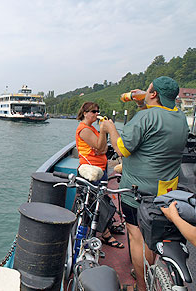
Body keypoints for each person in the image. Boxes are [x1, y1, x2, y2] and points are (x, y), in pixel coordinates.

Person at [102, 76, 189, 291]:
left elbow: (122, 148)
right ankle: (150, 274)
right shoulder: (179, 117)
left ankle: (141, 286)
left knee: (137, 236)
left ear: (154, 94)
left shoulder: (146, 117)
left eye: (149, 90)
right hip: (166, 190)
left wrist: (110, 129)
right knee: (151, 235)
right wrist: (143, 101)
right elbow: (155, 129)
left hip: (138, 191)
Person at [76, 101, 124, 248]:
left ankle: (107, 227)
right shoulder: (83, 129)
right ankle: (105, 234)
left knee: (102, 199)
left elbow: (102, 149)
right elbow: (99, 146)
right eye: (93, 112)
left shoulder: (92, 129)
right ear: (85, 113)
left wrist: (101, 142)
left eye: (98, 111)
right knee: (97, 202)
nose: (97, 114)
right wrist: (104, 131)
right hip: (91, 171)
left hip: (101, 169)